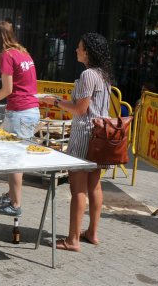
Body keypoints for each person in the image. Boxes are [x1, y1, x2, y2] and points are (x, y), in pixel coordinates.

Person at [43, 33, 113, 252]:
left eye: (80, 47)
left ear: (88, 52)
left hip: (84, 135)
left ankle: (73, 239)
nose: (76, 50)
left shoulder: (88, 75)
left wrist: (55, 101)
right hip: (100, 136)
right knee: (94, 185)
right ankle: (92, 232)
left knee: (78, 189)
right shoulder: (103, 75)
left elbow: (80, 110)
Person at [0, 21, 40, 216]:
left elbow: (7, 90)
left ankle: (15, 204)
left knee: (15, 160)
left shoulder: (6, 55)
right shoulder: (23, 52)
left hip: (20, 112)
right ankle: (11, 195)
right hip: (29, 110)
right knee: (10, 154)